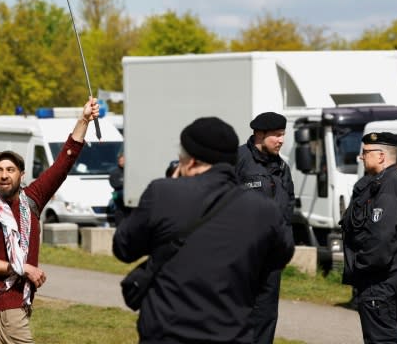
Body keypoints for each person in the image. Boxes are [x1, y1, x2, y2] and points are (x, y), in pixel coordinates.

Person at [113, 117, 294, 344]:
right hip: (231, 332)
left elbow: (123, 247)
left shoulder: (163, 193)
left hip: (167, 331)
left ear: (190, 160)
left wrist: (172, 184)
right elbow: (282, 253)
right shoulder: (263, 210)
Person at [0, 98, 99, 344]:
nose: (4, 175)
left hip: (22, 300)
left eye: (10, 170)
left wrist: (83, 121)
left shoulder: (32, 200)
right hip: (3, 301)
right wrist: (22, 268)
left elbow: (62, 165)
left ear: (22, 174)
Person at [341, 132, 397, 344]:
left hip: (380, 280)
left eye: (365, 152)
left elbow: (381, 238)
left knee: (381, 339)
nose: (361, 157)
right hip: (390, 277)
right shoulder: (390, 182)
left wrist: (361, 265)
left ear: (381, 156)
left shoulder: (389, 187)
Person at [234, 111, 295, 344]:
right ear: (259, 134)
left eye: (283, 135)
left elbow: (288, 207)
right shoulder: (237, 160)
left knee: (266, 316)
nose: (281, 140)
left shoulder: (282, 167)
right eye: (276, 135)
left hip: (271, 258)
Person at [108, 151, 130, 227]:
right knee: (118, 212)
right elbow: (114, 184)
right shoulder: (114, 172)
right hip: (118, 196)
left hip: (129, 196)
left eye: (123, 159)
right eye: (120, 160)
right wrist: (125, 184)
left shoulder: (130, 171)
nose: (122, 161)